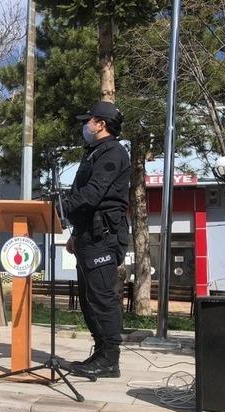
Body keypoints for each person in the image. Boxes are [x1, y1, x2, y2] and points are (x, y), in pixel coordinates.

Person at [63, 100, 131, 378]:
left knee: (102, 298)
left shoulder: (112, 153)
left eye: (89, 120)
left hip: (104, 237)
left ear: (101, 124)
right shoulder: (94, 152)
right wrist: (76, 234)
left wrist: (56, 208)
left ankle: (110, 359)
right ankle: (100, 353)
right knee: (89, 298)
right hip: (88, 235)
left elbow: (92, 195)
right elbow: (86, 201)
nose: (85, 125)